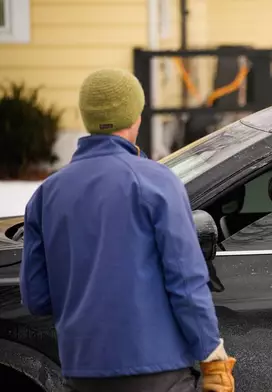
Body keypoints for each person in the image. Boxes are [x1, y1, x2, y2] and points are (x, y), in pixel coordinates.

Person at [20, 68, 235, 392]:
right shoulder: (158, 183)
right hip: (158, 371)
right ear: (135, 117)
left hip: (83, 371)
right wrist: (212, 355)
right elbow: (186, 281)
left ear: (87, 117)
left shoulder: (47, 194)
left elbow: (36, 297)